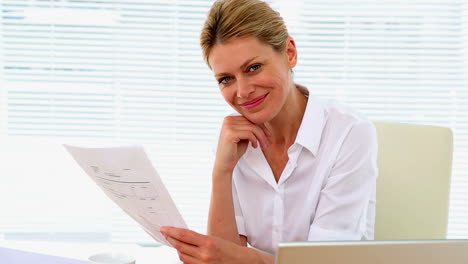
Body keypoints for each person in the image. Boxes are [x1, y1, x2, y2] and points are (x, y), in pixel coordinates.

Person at [160, 0, 378, 263]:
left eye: (253, 68)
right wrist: (221, 172)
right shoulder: (234, 140)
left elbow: (324, 260)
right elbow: (223, 258)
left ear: (289, 53)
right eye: (226, 79)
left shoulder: (349, 134)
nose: (242, 92)